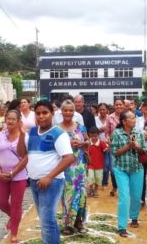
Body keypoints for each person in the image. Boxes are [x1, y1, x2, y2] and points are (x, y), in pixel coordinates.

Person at [17, 100, 74, 244]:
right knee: (44, 219)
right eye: (38, 113)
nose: (41, 116)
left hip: (51, 182)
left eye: (45, 113)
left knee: (48, 221)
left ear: (52, 114)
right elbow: (22, 153)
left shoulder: (58, 134)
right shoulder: (32, 132)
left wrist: (49, 177)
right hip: (36, 182)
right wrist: (22, 135)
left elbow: (69, 158)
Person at [110, 110, 147, 237]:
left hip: (137, 168)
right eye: (131, 118)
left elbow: (145, 152)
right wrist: (129, 146)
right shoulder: (117, 133)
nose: (134, 119)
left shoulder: (139, 133)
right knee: (124, 198)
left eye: (134, 117)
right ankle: (121, 227)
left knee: (136, 196)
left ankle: (134, 217)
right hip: (121, 169)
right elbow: (114, 152)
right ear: (124, 121)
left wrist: (136, 147)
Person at [0, 110, 28, 243]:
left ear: (19, 121)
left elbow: (25, 158)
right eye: (8, 118)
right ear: (5, 120)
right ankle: (14, 217)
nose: (10, 121)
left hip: (19, 176)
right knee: (0, 202)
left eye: (14, 119)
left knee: (16, 204)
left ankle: (14, 233)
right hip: (2, 175)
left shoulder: (24, 136)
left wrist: (13, 172)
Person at [58, 99, 89, 235]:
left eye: (71, 110)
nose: (68, 112)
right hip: (64, 167)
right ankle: (67, 224)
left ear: (74, 112)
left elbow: (88, 142)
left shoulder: (81, 127)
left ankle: (79, 221)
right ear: (61, 111)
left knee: (81, 194)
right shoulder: (57, 129)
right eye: (65, 110)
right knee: (67, 194)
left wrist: (82, 144)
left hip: (80, 167)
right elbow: (53, 147)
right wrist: (68, 143)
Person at [105, 98, 124, 196]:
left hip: (126, 146)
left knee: (123, 167)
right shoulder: (110, 118)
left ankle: (123, 187)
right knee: (113, 169)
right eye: (117, 104)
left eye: (120, 104)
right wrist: (107, 139)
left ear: (123, 105)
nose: (119, 106)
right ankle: (115, 186)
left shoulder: (127, 116)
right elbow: (107, 132)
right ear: (114, 106)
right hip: (113, 146)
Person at [87, 126, 108, 197]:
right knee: (90, 177)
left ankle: (95, 190)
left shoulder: (102, 143)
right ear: (89, 135)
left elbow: (107, 150)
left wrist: (109, 144)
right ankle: (90, 189)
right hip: (90, 164)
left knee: (98, 179)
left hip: (99, 165)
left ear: (98, 135)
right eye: (92, 136)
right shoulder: (87, 143)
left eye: (95, 136)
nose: (94, 138)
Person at [95, 103, 111, 188]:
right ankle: (97, 181)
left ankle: (105, 182)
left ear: (107, 110)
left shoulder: (110, 118)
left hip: (108, 145)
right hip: (97, 145)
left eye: (104, 109)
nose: (102, 111)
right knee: (98, 164)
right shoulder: (95, 119)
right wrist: (100, 130)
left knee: (107, 164)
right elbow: (92, 131)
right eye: (100, 109)